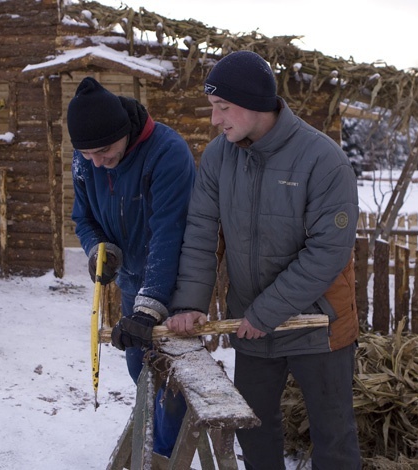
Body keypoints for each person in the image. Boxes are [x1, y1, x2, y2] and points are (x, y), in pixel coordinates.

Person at [165, 51, 362, 469]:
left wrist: (267, 311)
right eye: (212, 108)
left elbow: (328, 251)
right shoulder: (220, 156)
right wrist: (189, 303)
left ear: (255, 104)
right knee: (254, 433)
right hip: (252, 326)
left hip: (319, 323)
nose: (215, 119)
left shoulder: (323, 160)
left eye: (223, 107)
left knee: (333, 438)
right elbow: (202, 233)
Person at [67, 77, 195, 457]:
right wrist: (97, 250)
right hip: (130, 281)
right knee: (139, 367)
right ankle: (151, 440)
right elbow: (82, 218)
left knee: (171, 378)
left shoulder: (167, 153)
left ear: (124, 131)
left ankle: (163, 457)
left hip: (174, 283)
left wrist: (150, 305)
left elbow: (169, 232)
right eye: (88, 155)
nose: (97, 163)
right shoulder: (86, 158)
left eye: (105, 151)